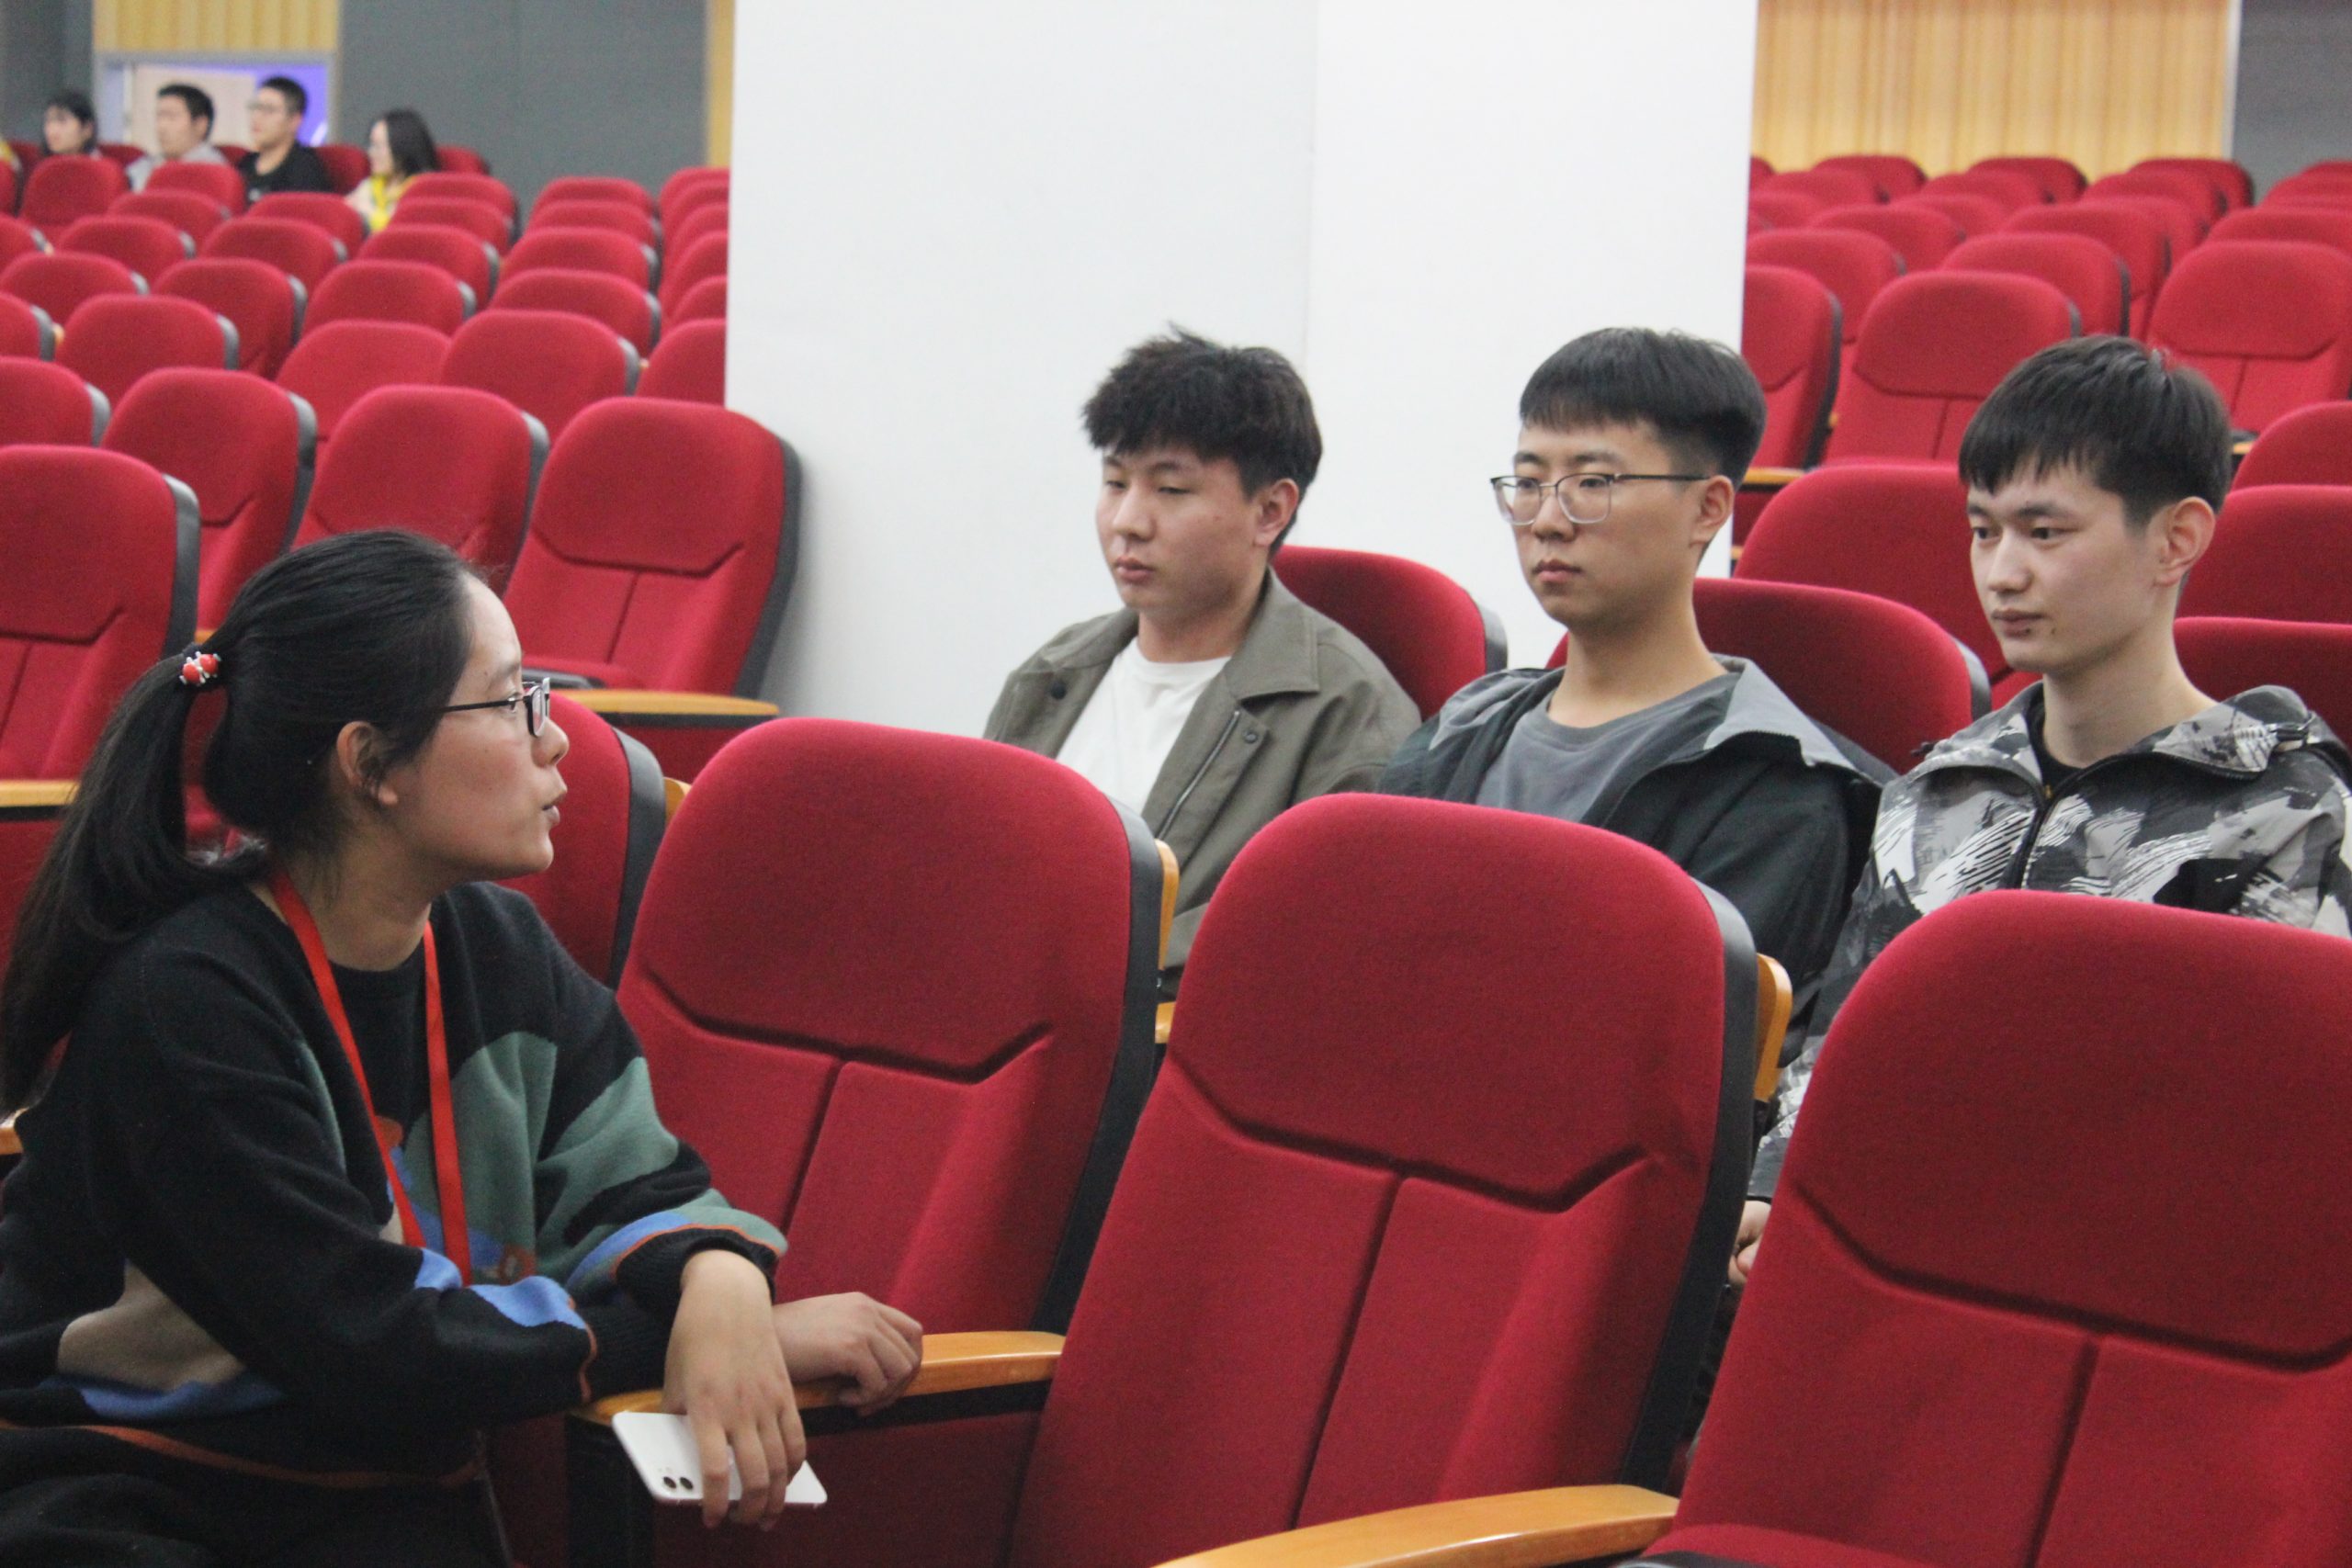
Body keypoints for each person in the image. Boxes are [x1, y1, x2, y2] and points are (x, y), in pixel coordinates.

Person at [0, 532, 922, 1563]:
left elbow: (646, 1188)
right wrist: (680, 1338)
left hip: (380, 1499)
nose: (555, 738)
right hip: (124, 1486)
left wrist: (723, 1285)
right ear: (371, 765)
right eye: (512, 699)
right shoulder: (190, 1001)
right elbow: (369, 1344)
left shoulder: (498, 949)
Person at [1736, 335, 2352, 1282]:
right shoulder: (1941, 787)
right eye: (1983, 530)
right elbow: (1845, 1045)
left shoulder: (2287, 809)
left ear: (2177, 539)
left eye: (2045, 532)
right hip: (1885, 1255)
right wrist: (1778, 1191)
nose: (2002, 573)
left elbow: (2267, 1136)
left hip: (2126, 1276)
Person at [1380, 328, 1884, 1035]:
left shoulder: (1776, 789)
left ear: (1708, 508)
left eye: (1593, 484)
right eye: (1529, 483)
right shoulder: (1466, 725)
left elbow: (1676, 1048)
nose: (1548, 521)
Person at [985, 329, 1419, 985]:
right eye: (1114, 482)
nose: (1128, 521)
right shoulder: (1054, 672)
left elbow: (1322, 943)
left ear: (1270, 511)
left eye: (1171, 490)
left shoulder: (1347, 712)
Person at [346, 108, 438, 233]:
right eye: (371, 145)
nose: (371, 153)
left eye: (378, 147)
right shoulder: (370, 186)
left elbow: (403, 232)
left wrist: (368, 211)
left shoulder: (424, 191)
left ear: (402, 149)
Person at [242, 75, 332, 202]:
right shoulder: (245, 165)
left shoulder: (305, 173)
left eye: (269, 110)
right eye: (256, 107)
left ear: (295, 121)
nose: (257, 116)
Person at [125, 83, 227, 191]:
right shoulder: (147, 165)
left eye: (172, 117)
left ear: (200, 125)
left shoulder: (215, 174)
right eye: (159, 116)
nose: (161, 126)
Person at [40, 89, 100, 160]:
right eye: (48, 120)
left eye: (62, 120)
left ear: (87, 129)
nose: (52, 128)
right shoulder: (42, 164)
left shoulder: (99, 165)